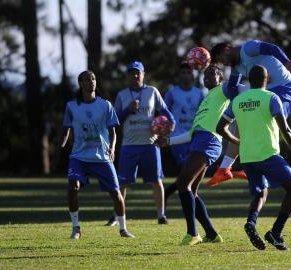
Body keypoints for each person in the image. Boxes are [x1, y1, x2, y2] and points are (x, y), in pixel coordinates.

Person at [216, 65, 291, 250]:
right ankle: (276, 232)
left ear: (249, 79)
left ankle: (251, 223)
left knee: (260, 192)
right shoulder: (271, 98)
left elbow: (220, 127)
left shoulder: (238, 100)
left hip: (248, 158)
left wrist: (236, 140)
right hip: (268, 155)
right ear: (267, 79)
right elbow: (285, 129)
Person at [156, 64, 247, 246]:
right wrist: (169, 141)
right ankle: (212, 234)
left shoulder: (223, 90)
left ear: (221, 78)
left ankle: (193, 234)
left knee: (183, 183)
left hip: (209, 142)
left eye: (211, 73)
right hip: (197, 141)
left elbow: (238, 85)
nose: (206, 76)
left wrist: (238, 63)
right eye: (204, 74)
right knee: (192, 192)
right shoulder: (205, 98)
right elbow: (191, 133)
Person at [208, 39, 291, 187]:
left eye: (221, 59)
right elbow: (232, 86)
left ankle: (257, 167)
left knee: (272, 125)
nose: (224, 64)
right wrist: (236, 105)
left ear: (227, 49)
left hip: (284, 91)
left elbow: (272, 47)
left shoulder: (248, 48)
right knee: (242, 121)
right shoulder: (236, 68)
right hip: (266, 94)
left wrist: (286, 62)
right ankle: (225, 168)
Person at [61, 70, 134, 239]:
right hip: (79, 156)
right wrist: (61, 148)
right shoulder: (72, 106)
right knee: (73, 188)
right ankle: (76, 228)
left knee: (116, 193)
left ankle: (123, 229)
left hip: (102, 157)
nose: (91, 82)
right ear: (80, 84)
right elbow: (65, 130)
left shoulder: (105, 105)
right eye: (86, 80)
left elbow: (113, 132)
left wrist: (112, 148)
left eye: (93, 79)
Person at [106, 61, 175, 226]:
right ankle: (117, 216)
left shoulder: (152, 91)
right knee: (122, 182)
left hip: (150, 145)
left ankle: (161, 215)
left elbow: (165, 111)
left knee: (156, 180)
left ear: (143, 74)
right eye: (131, 73)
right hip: (129, 146)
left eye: (138, 73)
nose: (135, 76)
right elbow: (114, 121)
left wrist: (171, 124)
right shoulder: (122, 95)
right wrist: (127, 110)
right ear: (128, 75)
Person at [163, 62, 205, 205]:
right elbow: (162, 113)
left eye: (188, 72)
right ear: (179, 76)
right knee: (187, 172)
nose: (186, 75)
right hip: (177, 139)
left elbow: (204, 114)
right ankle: (190, 202)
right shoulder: (172, 93)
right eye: (183, 73)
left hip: (195, 138)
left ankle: (168, 193)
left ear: (192, 75)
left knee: (189, 174)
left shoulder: (199, 93)